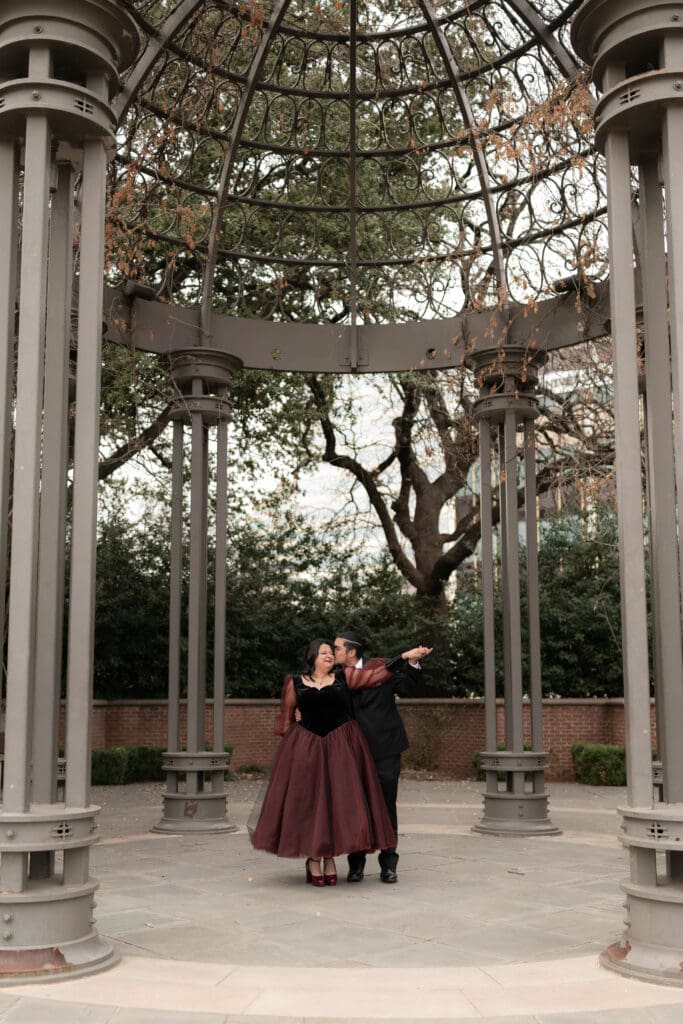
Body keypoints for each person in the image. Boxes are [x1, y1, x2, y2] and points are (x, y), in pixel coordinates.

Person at [250, 638, 429, 886]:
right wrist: (292, 754)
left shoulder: (344, 677)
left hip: (340, 749)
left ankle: (331, 858)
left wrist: (404, 656)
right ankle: (313, 858)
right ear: (312, 656)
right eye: (324, 652)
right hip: (308, 749)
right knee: (313, 803)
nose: (329, 655)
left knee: (338, 802)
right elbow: (286, 721)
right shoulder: (295, 682)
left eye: (332, 652)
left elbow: (376, 675)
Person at [334, 631, 429, 884]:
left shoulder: (381, 667)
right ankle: (356, 865)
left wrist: (412, 664)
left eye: (337, 648)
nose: (333, 652)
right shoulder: (339, 676)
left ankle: (389, 864)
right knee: (356, 806)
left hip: (386, 748)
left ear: (352, 652)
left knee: (387, 806)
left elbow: (407, 688)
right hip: (353, 752)